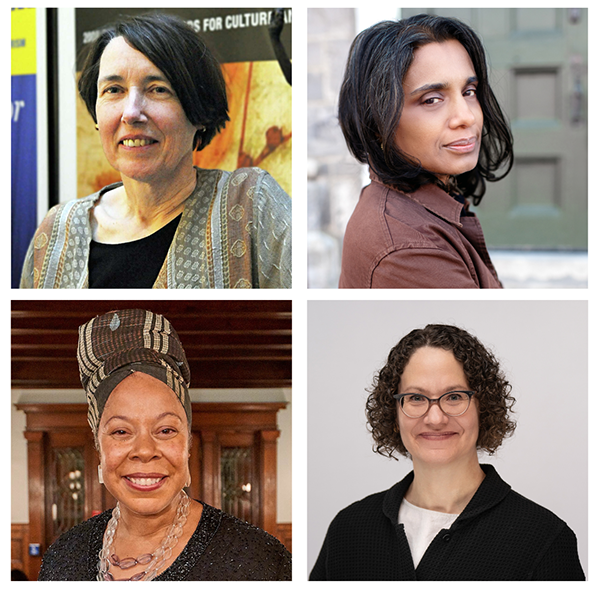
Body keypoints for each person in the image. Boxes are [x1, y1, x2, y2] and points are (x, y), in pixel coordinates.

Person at [20, 13, 291, 289]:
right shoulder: (56, 232)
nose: (131, 113)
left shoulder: (251, 207)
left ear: (198, 111)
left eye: (158, 89)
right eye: (114, 90)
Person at [310, 324, 585, 580]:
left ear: (483, 407)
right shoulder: (348, 530)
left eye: (454, 397)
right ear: (394, 414)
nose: (435, 418)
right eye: (416, 398)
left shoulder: (544, 538)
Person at [39, 308, 291, 581]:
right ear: (98, 446)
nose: (145, 451)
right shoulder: (63, 556)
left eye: (166, 430)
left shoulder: (258, 560)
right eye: (121, 431)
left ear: (188, 444)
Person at [337, 15, 513, 288]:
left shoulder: (426, 204)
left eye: (469, 91)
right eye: (432, 99)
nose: (466, 116)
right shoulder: (408, 250)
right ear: (377, 124)